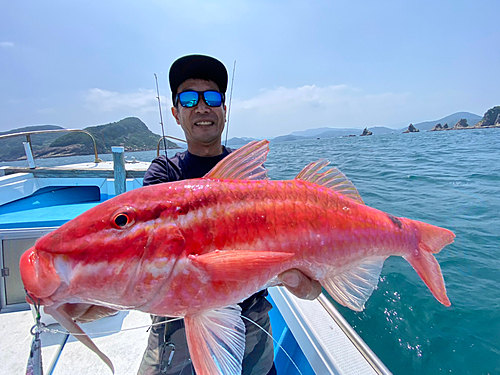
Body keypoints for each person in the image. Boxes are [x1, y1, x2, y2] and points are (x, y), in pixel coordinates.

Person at [67, 54, 322, 375]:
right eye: (188, 98)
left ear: (224, 110)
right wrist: (94, 290)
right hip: (177, 319)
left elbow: (278, 249)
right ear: (176, 113)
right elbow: (146, 263)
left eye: (212, 97)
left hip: (252, 314)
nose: (202, 106)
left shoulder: (252, 180)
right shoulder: (164, 173)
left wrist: (309, 276)